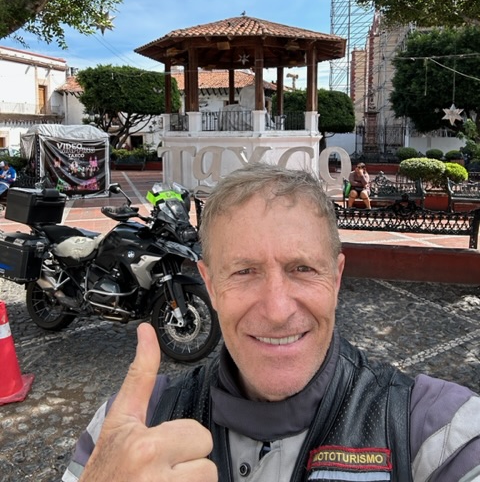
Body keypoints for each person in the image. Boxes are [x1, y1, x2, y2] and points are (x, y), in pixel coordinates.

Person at [63, 163, 480, 482]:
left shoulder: (430, 428)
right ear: (210, 285)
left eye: (302, 269)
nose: (277, 311)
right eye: (244, 271)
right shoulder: (129, 427)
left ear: (336, 280)